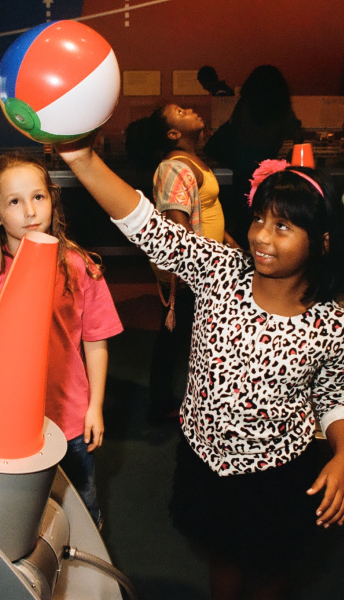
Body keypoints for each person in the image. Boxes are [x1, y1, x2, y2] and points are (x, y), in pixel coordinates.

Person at [58, 138, 344, 600]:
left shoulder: (331, 323)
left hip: (277, 475)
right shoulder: (220, 271)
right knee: (221, 556)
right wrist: (82, 159)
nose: (261, 236)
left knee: (269, 569)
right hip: (205, 462)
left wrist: (343, 454)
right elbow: (148, 226)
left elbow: (332, 397)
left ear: (323, 241)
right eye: (259, 218)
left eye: (283, 226)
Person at [0, 152, 123, 527]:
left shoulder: (79, 266)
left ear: (52, 200)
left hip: (70, 419)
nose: (30, 211)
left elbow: (95, 341)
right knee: (23, 517)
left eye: (38, 197)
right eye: (14, 201)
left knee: (82, 510)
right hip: (11, 426)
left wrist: (95, 406)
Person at [125, 104, 236, 421]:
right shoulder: (173, 168)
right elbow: (178, 225)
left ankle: (166, 401)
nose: (190, 110)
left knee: (179, 336)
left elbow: (207, 209)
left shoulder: (191, 160)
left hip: (208, 266)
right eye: (180, 111)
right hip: (194, 272)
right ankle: (163, 405)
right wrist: (198, 268)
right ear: (173, 133)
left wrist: (231, 245)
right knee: (179, 336)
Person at [204, 65, 302, 248]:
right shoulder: (281, 108)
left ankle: (242, 253)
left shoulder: (246, 103)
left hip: (242, 164)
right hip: (267, 166)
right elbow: (296, 133)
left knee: (243, 216)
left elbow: (234, 128)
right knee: (265, 212)